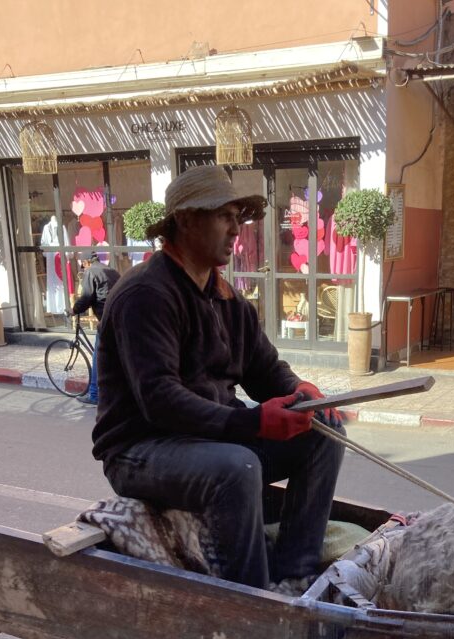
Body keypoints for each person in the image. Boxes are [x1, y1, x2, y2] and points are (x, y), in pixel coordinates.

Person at [91, 164, 345, 590]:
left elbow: (264, 369)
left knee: (323, 432)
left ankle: (295, 573)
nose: (236, 230)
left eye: (237, 219)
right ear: (187, 221)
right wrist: (252, 422)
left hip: (209, 440)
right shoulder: (146, 294)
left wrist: (300, 391)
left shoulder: (226, 297)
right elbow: (160, 398)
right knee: (237, 466)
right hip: (141, 449)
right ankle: (252, 596)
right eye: (224, 217)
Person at [72, 252, 120, 405]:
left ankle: (94, 395)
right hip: (120, 317)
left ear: (86, 262)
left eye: (83, 265)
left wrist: (73, 310)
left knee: (98, 357)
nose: (83, 268)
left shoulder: (90, 272)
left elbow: (86, 297)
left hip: (106, 321)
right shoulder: (111, 271)